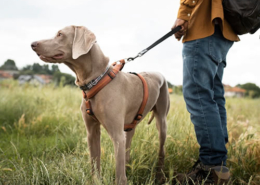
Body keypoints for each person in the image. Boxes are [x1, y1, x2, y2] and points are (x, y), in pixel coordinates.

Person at [172, 0, 239, 184]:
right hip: (223, 29)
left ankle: (211, 167)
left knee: (198, 96)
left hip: (204, 26)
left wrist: (183, 14)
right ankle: (219, 164)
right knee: (214, 98)